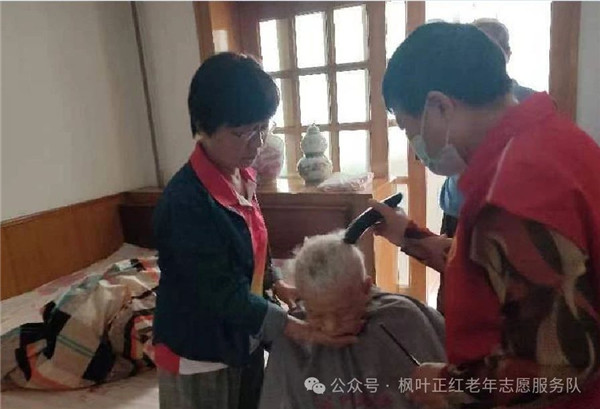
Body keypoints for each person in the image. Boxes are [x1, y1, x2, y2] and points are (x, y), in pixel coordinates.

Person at [375, 22, 600, 408]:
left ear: (440, 106)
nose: (414, 149)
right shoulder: (554, 141)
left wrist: (446, 385)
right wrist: (407, 235)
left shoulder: (516, 190)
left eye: (410, 130)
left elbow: (559, 368)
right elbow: (503, 273)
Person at [152, 52, 356, 409]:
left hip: (243, 335)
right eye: (243, 132)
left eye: (264, 127)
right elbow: (220, 291)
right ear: (203, 126)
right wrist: (293, 328)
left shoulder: (243, 175)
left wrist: (275, 282)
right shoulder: (185, 202)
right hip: (199, 350)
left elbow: (253, 248)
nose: (258, 142)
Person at [259, 232, 446, 409]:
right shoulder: (292, 338)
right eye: (316, 315)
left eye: (342, 313)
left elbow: (446, 396)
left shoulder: (402, 318)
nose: (331, 327)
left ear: (366, 288)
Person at [440, 18, 536, 238]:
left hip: (503, 215)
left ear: (507, 54)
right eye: (473, 49)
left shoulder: (531, 102)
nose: (481, 57)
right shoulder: (450, 100)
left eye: (490, 48)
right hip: (457, 207)